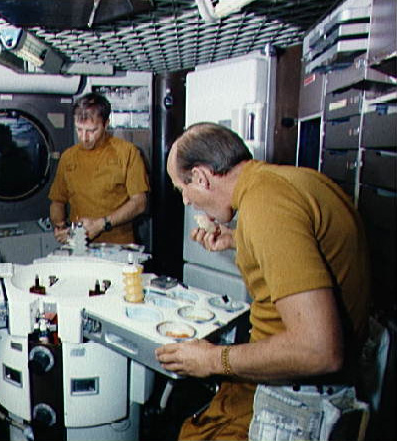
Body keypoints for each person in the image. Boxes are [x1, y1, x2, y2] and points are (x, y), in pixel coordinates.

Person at [155, 122, 370, 440]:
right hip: (321, 386)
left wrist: (212, 359)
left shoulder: (263, 206)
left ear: (201, 177)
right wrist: (237, 239)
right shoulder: (292, 180)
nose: (186, 201)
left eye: (182, 189)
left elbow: (319, 349)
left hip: (300, 402)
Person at [48, 92, 149, 244]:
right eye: (79, 129)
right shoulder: (68, 157)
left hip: (118, 245)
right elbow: (57, 201)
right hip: (79, 244)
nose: (84, 137)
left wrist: (101, 224)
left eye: (91, 131)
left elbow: (139, 203)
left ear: (106, 124)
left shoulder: (127, 152)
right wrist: (60, 226)